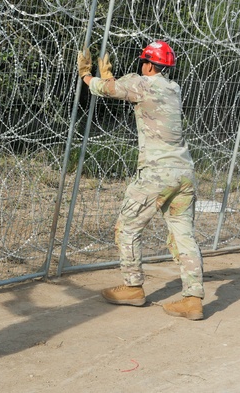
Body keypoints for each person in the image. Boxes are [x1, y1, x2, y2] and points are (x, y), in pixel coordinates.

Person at [77, 40, 205, 320]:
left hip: (156, 174)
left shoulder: (141, 83)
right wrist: (112, 79)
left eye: (143, 62)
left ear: (147, 65)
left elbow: (103, 89)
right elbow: (124, 90)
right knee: (184, 236)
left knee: (127, 227)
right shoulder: (173, 88)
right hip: (183, 172)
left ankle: (133, 287)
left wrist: (86, 74)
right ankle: (193, 299)